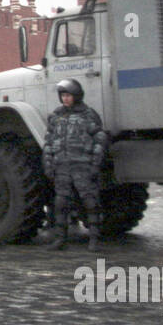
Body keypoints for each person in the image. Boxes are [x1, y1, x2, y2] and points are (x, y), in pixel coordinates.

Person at [42, 79, 108, 252]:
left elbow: (99, 140)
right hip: (62, 167)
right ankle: (60, 238)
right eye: (63, 95)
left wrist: (95, 164)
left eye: (69, 95)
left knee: (90, 202)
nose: (65, 99)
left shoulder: (88, 115)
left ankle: (94, 239)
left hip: (82, 166)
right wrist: (49, 164)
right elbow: (49, 141)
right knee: (61, 203)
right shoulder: (56, 116)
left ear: (76, 96)